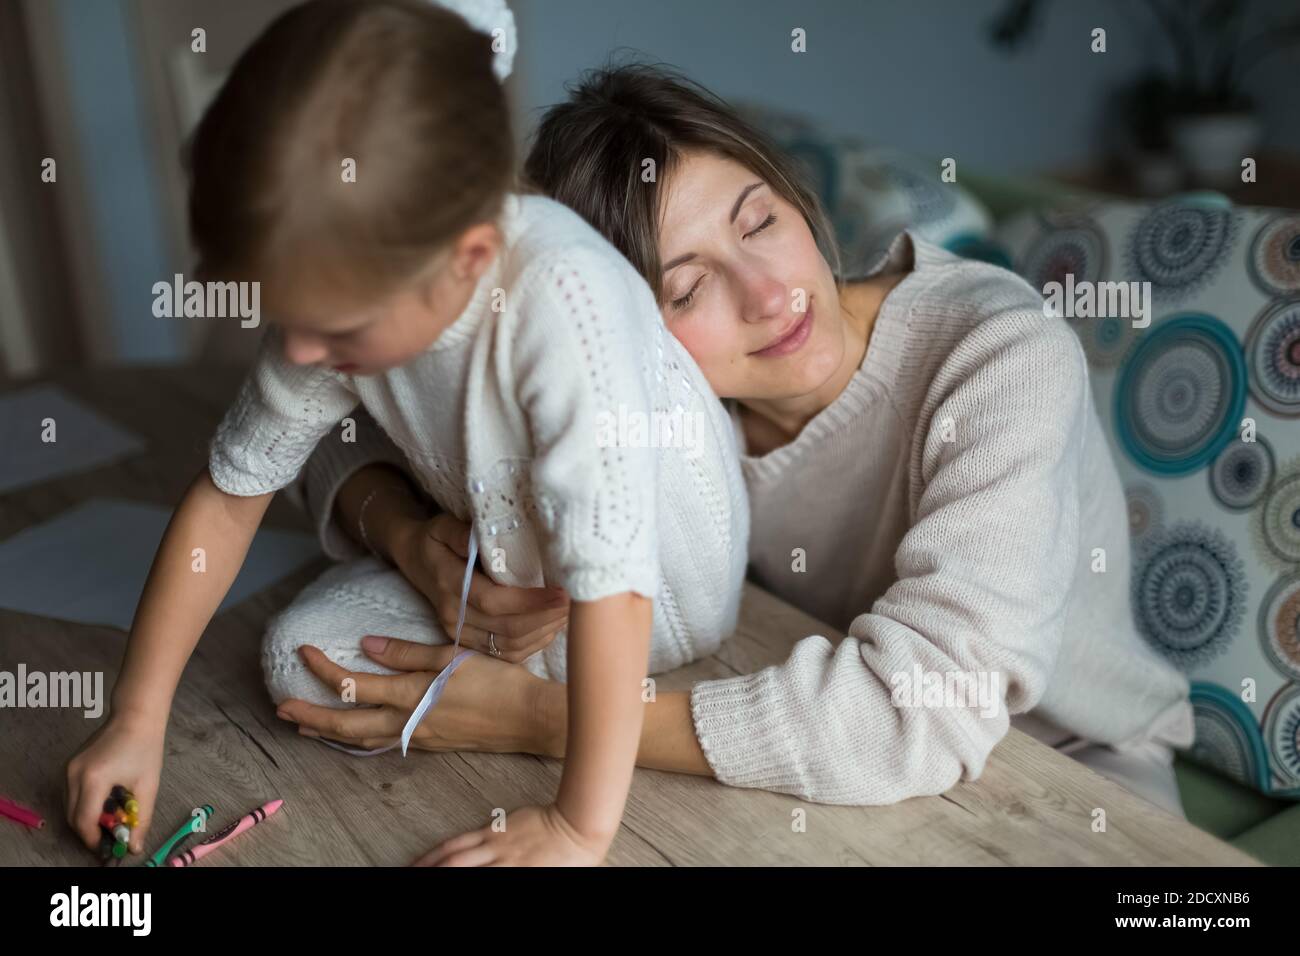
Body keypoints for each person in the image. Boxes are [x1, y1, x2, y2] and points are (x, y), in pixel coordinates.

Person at [275, 62, 1195, 821]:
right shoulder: (657, 408)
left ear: (792, 195)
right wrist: (404, 532)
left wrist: (544, 720)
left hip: (1073, 771)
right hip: (806, 734)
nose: (767, 293)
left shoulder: (1000, 354)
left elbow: (925, 712)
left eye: (758, 221)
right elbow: (330, 424)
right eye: (686, 289)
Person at [64, 3, 747, 868]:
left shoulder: (568, 300)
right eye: (287, 316)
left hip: (655, 593)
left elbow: (619, 587)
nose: (303, 352)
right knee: (299, 662)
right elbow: (229, 497)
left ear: (465, 259)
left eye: (335, 331)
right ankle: (497, 680)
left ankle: (545, 713)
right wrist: (135, 718)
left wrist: (578, 827)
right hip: (511, 567)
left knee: (403, 661)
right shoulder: (349, 281)